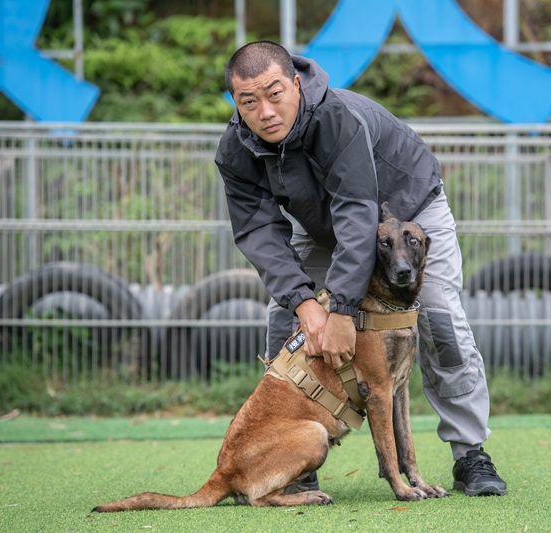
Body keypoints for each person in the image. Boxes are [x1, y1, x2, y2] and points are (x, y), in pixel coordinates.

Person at [214, 40, 507, 497]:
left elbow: (358, 213)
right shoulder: (236, 148)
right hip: (327, 223)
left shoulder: (336, 118)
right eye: (249, 101)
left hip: (410, 213)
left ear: (295, 83)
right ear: (235, 102)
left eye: (274, 94)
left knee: (440, 321)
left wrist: (343, 311)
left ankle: (470, 453)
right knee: (284, 318)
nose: (265, 111)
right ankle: (293, 462)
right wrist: (307, 304)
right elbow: (258, 232)